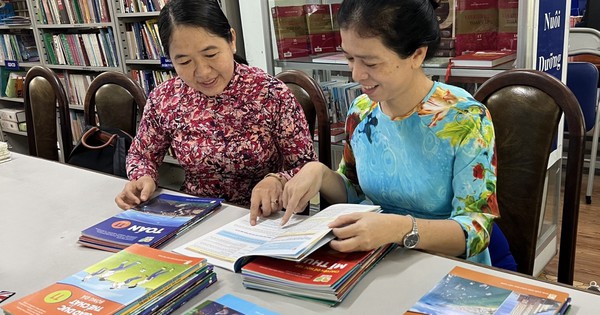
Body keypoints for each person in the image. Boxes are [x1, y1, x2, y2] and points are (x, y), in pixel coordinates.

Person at [279, 0, 511, 267]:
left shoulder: (464, 119)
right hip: (374, 259)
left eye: (371, 63)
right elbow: (353, 190)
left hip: (444, 265)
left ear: (416, 55)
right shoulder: (362, 111)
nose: (356, 74)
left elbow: (476, 231)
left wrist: (398, 229)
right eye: (350, 58)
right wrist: (319, 174)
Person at [115, 0, 316, 213]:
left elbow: (307, 167)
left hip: (263, 216)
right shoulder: (166, 98)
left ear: (231, 40)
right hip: (195, 213)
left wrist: (278, 179)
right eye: (184, 62)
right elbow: (141, 155)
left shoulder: (270, 93)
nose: (203, 72)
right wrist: (143, 177)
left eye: (211, 54)